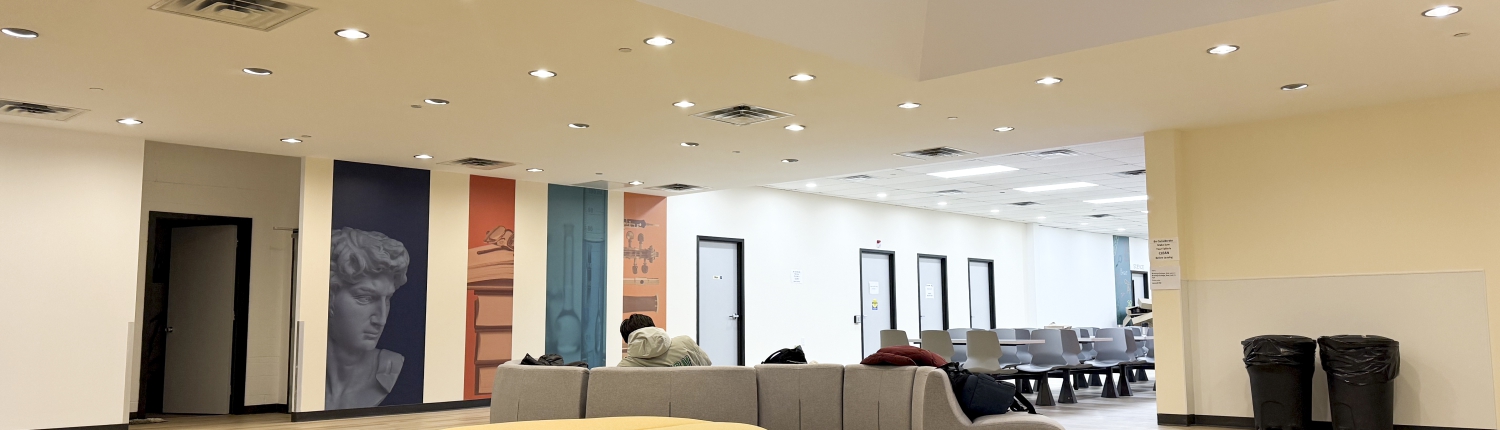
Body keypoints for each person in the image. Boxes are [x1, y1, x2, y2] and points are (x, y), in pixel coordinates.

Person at [325, 227, 409, 409]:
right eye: (365, 298)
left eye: (387, 299)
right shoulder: (302, 374)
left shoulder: (392, 369)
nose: (381, 319)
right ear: (329, 297)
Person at [617, 314, 712, 367]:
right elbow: (709, 371)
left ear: (628, 341)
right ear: (653, 327)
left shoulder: (625, 367)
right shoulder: (685, 342)